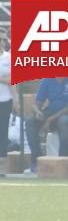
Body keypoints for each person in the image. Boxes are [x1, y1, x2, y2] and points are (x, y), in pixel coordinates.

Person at [25, 76, 68, 174]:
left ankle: (63, 160)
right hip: (52, 113)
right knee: (30, 121)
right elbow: (37, 103)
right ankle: (37, 159)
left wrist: (50, 119)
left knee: (63, 121)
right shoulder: (47, 80)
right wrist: (37, 111)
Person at [0, 25, 16, 163]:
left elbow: (12, 79)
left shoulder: (9, 58)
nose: (1, 42)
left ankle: (2, 163)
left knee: (3, 131)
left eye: (3, 39)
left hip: (5, 99)